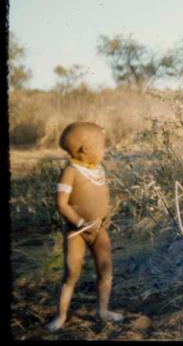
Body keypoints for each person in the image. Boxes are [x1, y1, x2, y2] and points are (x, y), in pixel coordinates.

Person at [47, 122, 123, 331]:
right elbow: (61, 204)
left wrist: (105, 216)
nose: (105, 150)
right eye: (102, 145)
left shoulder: (98, 169)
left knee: (106, 269)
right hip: (77, 231)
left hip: (99, 229)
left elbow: (102, 195)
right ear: (85, 149)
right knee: (71, 272)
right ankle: (61, 315)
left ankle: (103, 310)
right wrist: (80, 223)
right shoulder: (71, 172)